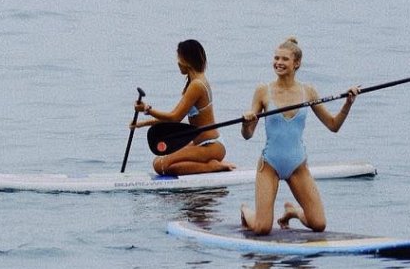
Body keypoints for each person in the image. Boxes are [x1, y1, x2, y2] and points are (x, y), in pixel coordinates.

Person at [239, 37, 359, 234]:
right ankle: (246, 211)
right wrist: (246, 123)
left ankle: (293, 211)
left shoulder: (308, 91)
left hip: (297, 165)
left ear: (297, 63)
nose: (278, 62)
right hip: (269, 165)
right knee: (262, 228)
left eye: (284, 59)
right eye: (276, 58)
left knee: (319, 224)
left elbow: (333, 125)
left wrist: (348, 104)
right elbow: (248, 135)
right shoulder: (263, 91)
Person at [132, 40, 233, 176]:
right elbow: (175, 119)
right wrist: (142, 124)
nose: (177, 63)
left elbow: (174, 118)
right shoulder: (195, 82)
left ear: (186, 60)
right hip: (202, 144)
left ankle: (211, 166)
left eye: (179, 58)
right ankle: (207, 164)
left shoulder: (197, 85)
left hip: (210, 145)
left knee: (160, 166)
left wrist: (147, 109)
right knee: (158, 161)